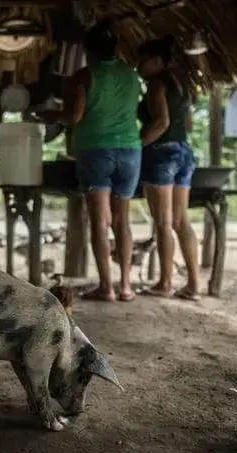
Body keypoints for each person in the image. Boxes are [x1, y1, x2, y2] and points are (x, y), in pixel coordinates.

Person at [52, 19, 142, 302]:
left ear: (88, 50)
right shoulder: (131, 75)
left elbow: (74, 116)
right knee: (121, 220)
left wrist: (51, 115)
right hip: (130, 150)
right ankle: (126, 285)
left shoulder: (84, 76)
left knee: (99, 222)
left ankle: (107, 287)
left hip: (96, 151)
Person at [137, 35, 201, 301]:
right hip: (184, 152)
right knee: (180, 221)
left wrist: (136, 145)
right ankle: (194, 286)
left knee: (163, 222)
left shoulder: (156, 84)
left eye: (142, 61)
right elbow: (186, 125)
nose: (139, 66)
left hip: (161, 154)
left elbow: (161, 123)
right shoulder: (184, 85)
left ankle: (164, 283)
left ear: (155, 61)